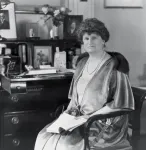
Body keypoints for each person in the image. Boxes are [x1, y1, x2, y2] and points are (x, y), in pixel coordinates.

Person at [34, 18, 134, 150]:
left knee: (66, 145)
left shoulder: (116, 65)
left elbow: (121, 103)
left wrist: (88, 118)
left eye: (94, 38)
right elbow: (74, 98)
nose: (90, 42)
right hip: (78, 118)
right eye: (86, 38)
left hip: (104, 123)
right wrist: (68, 116)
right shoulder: (82, 62)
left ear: (103, 40)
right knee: (44, 136)